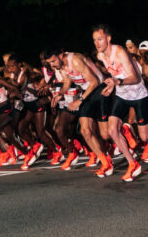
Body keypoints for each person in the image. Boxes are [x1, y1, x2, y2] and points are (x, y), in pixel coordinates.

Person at [93, 25, 148, 181]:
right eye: (94, 40)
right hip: (122, 95)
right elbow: (114, 74)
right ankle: (133, 164)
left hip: (139, 95)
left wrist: (117, 81)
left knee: (144, 137)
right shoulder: (100, 56)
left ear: (108, 39)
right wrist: (111, 86)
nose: (97, 43)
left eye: (100, 39)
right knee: (112, 130)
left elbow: (136, 78)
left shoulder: (120, 52)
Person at [43, 47, 113, 177]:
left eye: (53, 61)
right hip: (87, 94)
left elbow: (94, 81)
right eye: (50, 63)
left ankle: (118, 143)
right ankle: (105, 162)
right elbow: (68, 81)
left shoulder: (74, 60)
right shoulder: (61, 66)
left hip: (99, 90)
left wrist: (80, 100)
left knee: (105, 134)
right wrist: (60, 94)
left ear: (61, 54)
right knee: (85, 131)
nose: (52, 65)